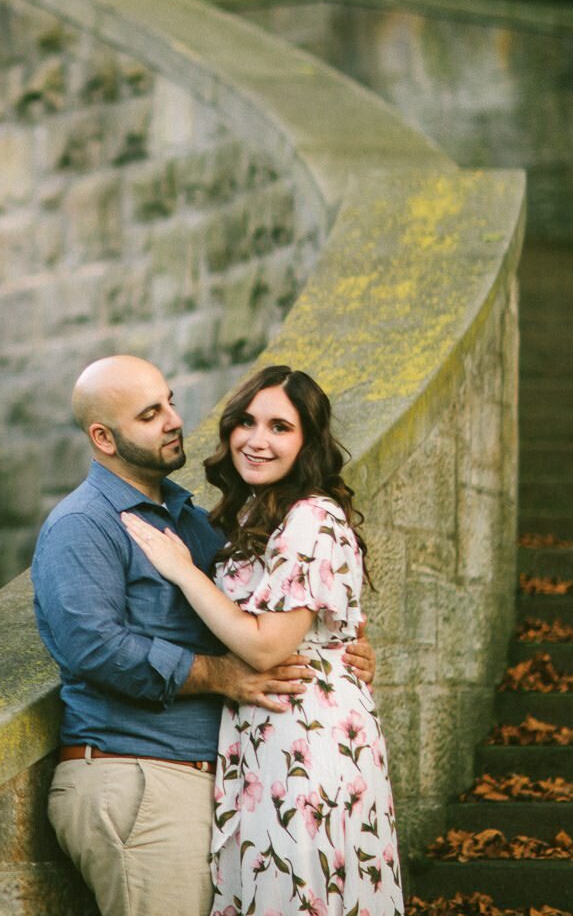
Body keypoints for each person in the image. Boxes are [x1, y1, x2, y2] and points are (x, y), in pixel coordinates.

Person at [32, 356, 375, 916]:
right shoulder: (83, 524)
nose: (174, 420)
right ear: (104, 436)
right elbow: (94, 647)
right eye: (150, 414)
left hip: (220, 781)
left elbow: (273, 608)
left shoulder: (195, 521)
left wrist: (340, 650)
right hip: (138, 775)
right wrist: (223, 676)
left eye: (170, 401)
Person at [120, 364, 403, 915]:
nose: (256, 439)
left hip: (305, 739)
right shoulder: (257, 514)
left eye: (280, 427)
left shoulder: (311, 518)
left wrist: (184, 571)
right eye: (247, 421)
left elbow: (268, 646)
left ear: (308, 443)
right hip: (268, 737)